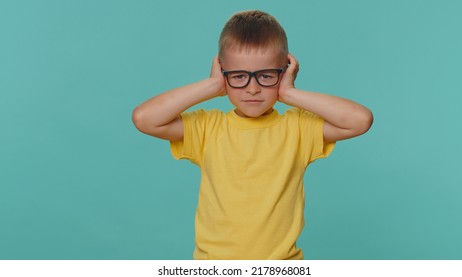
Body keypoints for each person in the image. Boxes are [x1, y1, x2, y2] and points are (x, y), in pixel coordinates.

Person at [132, 10, 373, 260]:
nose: (253, 88)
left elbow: (360, 120)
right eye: (238, 76)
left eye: (266, 76)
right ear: (222, 72)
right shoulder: (207, 128)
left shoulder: (298, 129)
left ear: (284, 71)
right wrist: (212, 86)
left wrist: (289, 94)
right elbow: (145, 118)